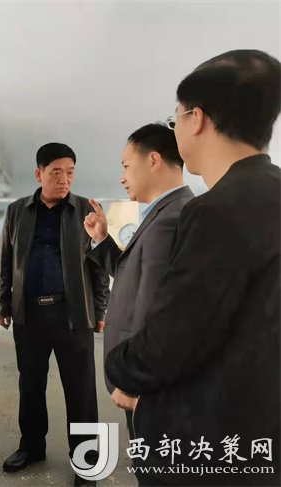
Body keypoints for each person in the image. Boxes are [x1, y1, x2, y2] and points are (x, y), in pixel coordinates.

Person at [105, 50, 280, 486]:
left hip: (208, 442)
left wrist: (118, 366)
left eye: (175, 118)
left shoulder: (213, 211)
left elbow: (172, 340)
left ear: (196, 118)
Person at [0, 143, 110, 487]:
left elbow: (98, 265)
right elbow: (6, 259)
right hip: (29, 314)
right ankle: (31, 447)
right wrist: (3, 302)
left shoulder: (85, 210)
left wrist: (100, 307)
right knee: (30, 385)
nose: (64, 179)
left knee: (81, 390)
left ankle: (87, 460)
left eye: (70, 172)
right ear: (39, 174)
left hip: (72, 314)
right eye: (56, 172)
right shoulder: (17, 211)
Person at [83, 123, 193, 439]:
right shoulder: (162, 213)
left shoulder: (170, 220)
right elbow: (134, 276)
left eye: (126, 166)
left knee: (154, 459)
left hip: (146, 378)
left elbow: (158, 310)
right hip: (145, 372)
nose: (122, 177)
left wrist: (136, 379)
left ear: (153, 160)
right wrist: (102, 240)